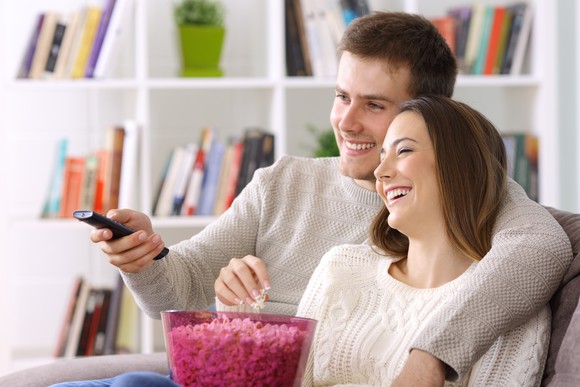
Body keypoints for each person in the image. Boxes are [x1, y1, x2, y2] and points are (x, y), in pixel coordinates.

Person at [53, 11, 571, 387]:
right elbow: (177, 291)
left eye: (374, 105)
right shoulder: (283, 182)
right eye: (342, 96)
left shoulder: (465, 192)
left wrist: (431, 357)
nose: (346, 121)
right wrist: (143, 258)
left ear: (431, 114)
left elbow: (543, 249)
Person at [291, 95, 550, 385]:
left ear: (461, 166)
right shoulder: (340, 269)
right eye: (381, 156)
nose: (380, 172)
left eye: (403, 151)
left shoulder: (510, 303)